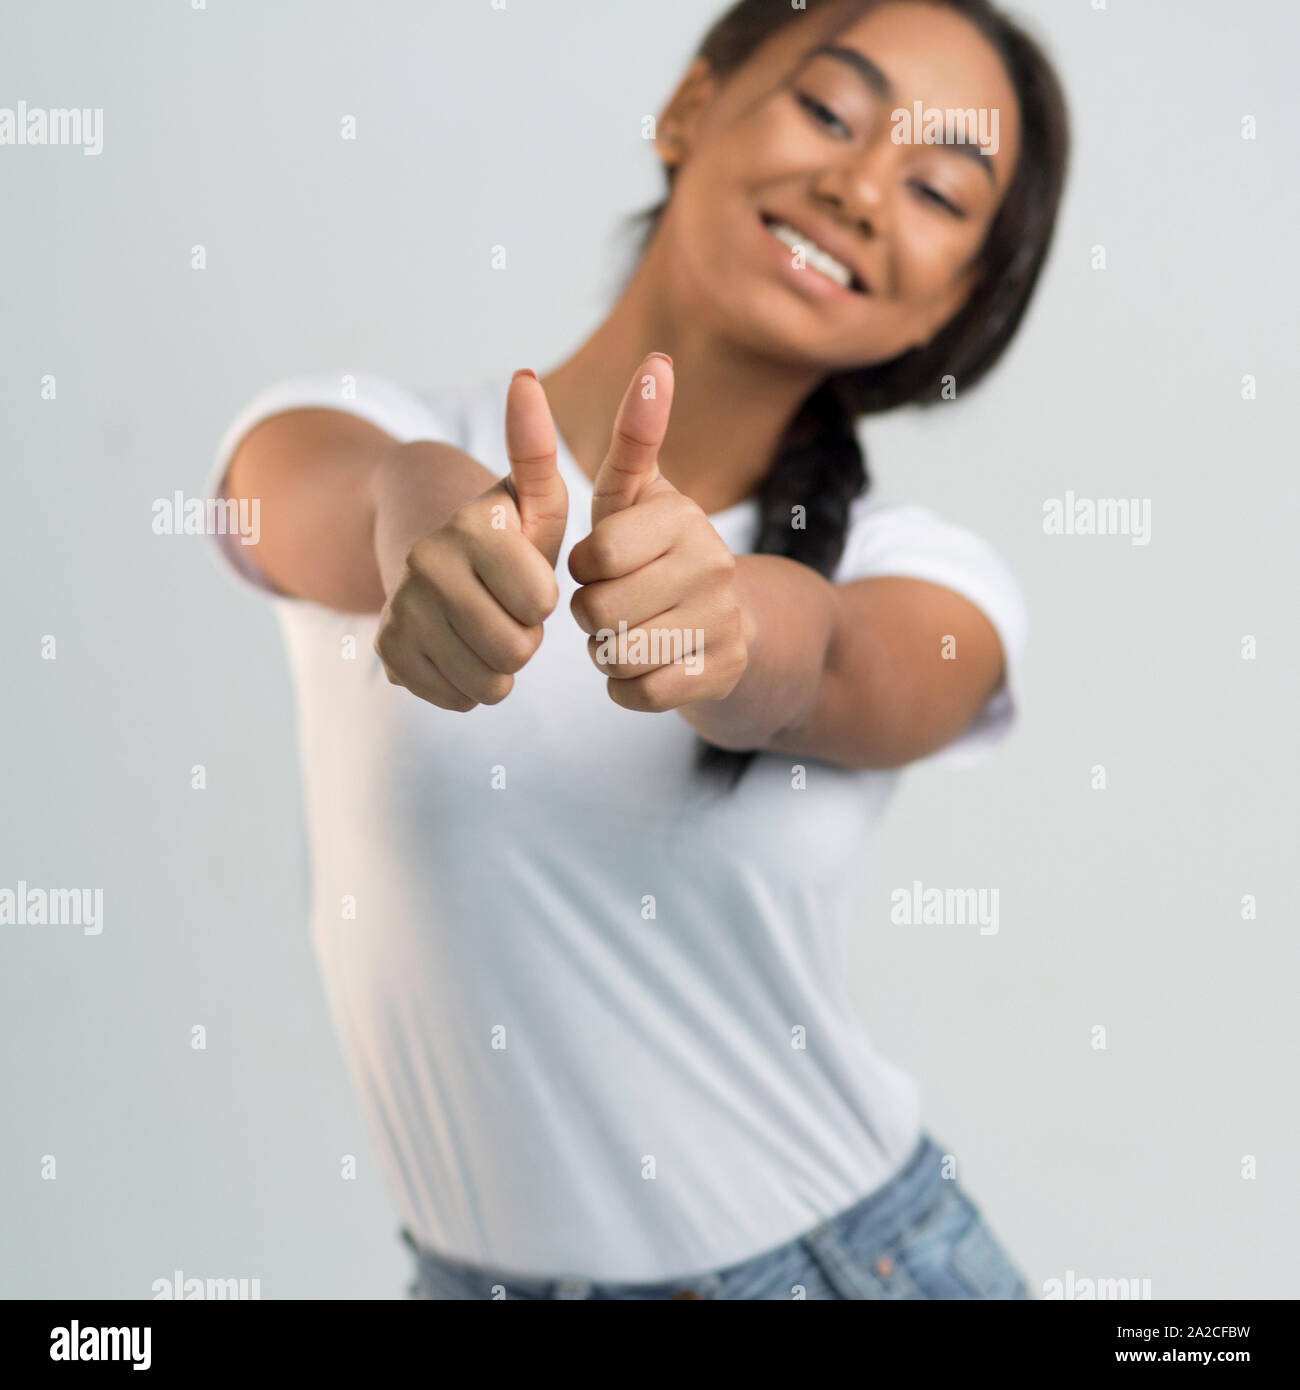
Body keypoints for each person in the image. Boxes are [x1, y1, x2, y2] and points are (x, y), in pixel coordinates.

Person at [206, 0, 1069, 1299]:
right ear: (690, 109)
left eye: (940, 190)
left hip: (845, 1267)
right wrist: (434, 510)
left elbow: (830, 659)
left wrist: (730, 629)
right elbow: (296, 496)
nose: (857, 186)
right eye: (830, 111)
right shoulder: (348, 426)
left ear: (945, 311)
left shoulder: (928, 579)